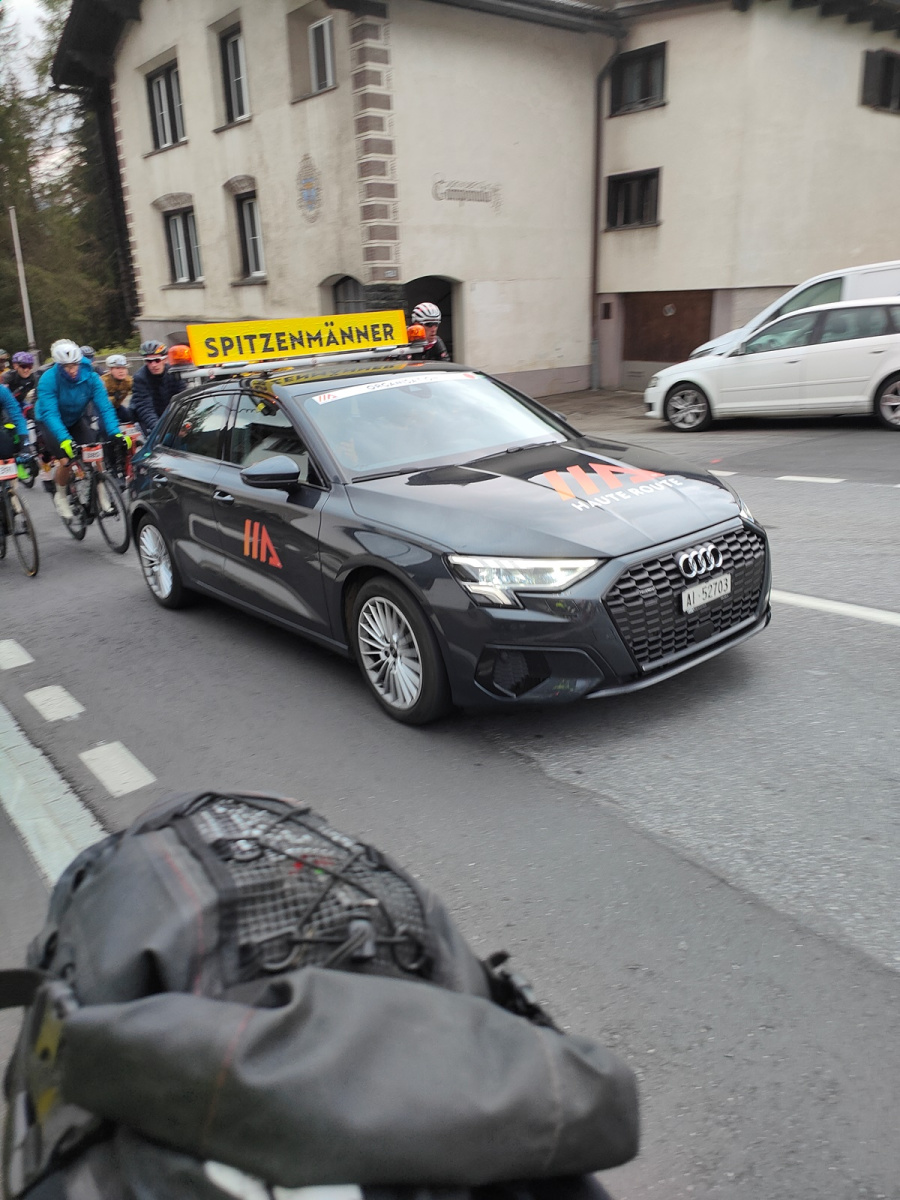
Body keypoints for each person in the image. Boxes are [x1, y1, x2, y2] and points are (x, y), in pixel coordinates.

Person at [33, 339, 126, 520]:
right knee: (66, 460)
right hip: (49, 421)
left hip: (75, 418)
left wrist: (115, 432)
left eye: (74, 364)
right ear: (59, 365)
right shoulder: (48, 380)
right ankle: (61, 496)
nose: (72, 370)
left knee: (94, 452)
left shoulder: (91, 377)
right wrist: (65, 440)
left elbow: (105, 407)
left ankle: (102, 496)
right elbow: (51, 414)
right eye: (67, 367)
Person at [131, 339, 186, 436]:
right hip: (147, 419)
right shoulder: (140, 377)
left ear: (165, 359)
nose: (153, 365)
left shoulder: (174, 373)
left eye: (157, 360)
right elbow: (145, 408)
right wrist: (160, 430)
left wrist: (179, 423)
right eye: (149, 361)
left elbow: (182, 399)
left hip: (168, 413)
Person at [101, 353, 135, 421]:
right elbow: (99, 402)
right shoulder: (102, 382)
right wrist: (113, 398)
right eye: (117, 368)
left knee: (131, 417)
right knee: (106, 424)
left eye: (124, 368)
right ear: (110, 370)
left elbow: (140, 393)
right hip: (102, 410)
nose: (121, 371)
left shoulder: (129, 381)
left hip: (117, 407)